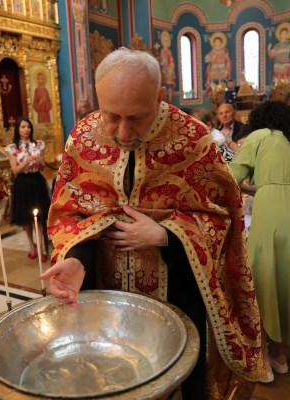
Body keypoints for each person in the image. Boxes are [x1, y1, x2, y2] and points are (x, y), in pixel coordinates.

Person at [40, 48, 267, 399]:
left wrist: (167, 236)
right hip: (106, 292)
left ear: (160, 97)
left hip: (178, 291)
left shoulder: (192, 140)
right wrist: (77, 258)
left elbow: (224, 217)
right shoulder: (82, 138)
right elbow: (69, 211)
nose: (123, 131)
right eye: (111, 116)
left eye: (136, 117)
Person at [229, 101, 290, 381]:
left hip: (269, 214)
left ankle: (265, 357)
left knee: (264, 278)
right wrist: (259, 188)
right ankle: (281, 352)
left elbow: (232, 175)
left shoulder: (260, 136)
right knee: (286, 278)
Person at [5, 116, 50, 261]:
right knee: (26, 218)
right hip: (22, 183)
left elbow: (42, 167)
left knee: (40, 217)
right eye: (23, 127)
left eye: (28, 127)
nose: (26, 129)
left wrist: (40, 162)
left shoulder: (38, 144)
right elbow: (15, 170)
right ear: (18, 129)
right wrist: (26, 161)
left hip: (37, 181)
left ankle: (41, 248)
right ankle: (32, 245)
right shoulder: (12, 148)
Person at [205, 32, 232, 98]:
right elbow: (207, 59)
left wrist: (227, 70)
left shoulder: (224, 51)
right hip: (213, 72)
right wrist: (211, 58)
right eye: (216, 42)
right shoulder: (212, 52)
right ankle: (215, 99)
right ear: (214, 43)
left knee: (223, 89)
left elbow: (228, 61)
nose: (217, 43)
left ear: (221, 43)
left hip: (223, 71)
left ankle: (223, 99)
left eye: (218, 42)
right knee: (214, 89)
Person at [154, 30, 176, 103]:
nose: (165, 41)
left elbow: (171, 61)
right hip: (163, 71)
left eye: (167, 40)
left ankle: (169, 100)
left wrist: (170, 67)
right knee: (164, 86)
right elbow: (160, 60)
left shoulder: (169, 51)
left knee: (169, 86)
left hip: (168, 72)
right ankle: (165, 99)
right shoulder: (162, 51)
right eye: (164, 40)